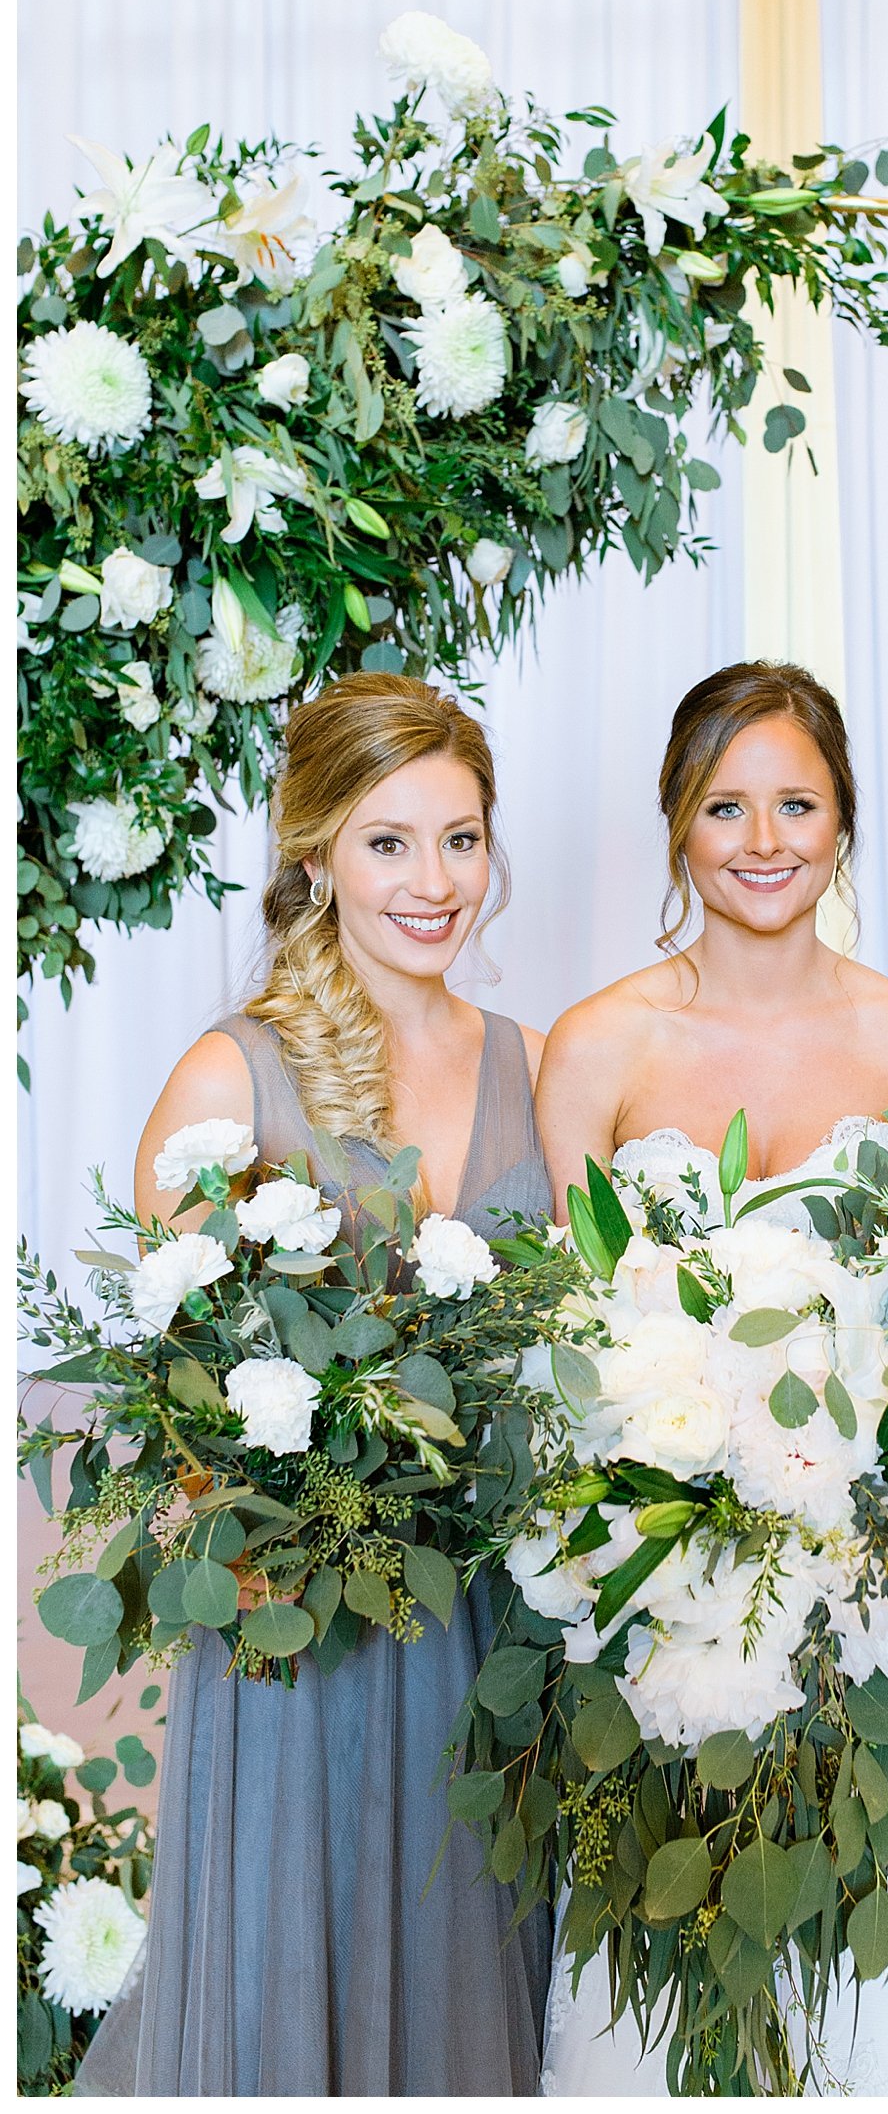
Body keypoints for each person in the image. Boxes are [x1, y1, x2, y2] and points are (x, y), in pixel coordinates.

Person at [75, 673, 551, 2097]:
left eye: (461, 839)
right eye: (390, 841)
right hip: (308, 1648)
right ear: (316, 852)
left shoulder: (536, 1064)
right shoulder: (235, 1076)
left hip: (493, 1628)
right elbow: (169, 1405)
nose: (433, 881)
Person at [534, 659, 888, 2095]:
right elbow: (566, 1332)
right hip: (651, 1595)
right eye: (727, 805)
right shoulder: (599, 1044)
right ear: (677, 821)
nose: (764, 839)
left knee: (844, 1962)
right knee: (661, 1952)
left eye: (797, 802)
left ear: (844, 820)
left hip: (855, 1589)